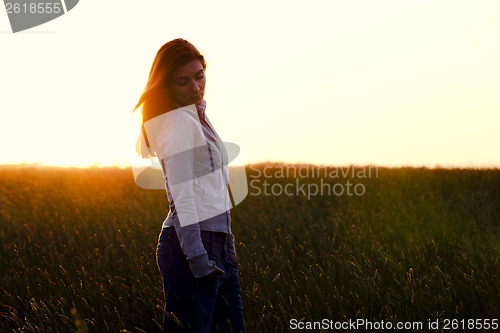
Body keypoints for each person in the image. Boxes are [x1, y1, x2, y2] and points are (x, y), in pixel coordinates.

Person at [131, 39, 247, 332]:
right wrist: (198, 259)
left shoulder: (198, 117)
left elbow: (213, 190)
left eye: (199, 76)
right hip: (190, 248)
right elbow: (182, 198)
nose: (196, 88)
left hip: (216, 244)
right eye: (183, 82)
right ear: (167, 85)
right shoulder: (179, 125)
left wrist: (227, 246)